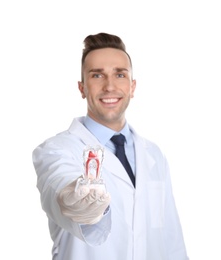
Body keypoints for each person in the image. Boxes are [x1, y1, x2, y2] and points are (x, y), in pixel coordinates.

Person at [32, 32, 189, 260]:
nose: (109, 86)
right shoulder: (56, 150)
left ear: (132, 87)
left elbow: (171, 239)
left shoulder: (154, 154)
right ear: (82, 88)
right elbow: (58, 184)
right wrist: (78, 200)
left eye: (120, 74)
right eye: (97, 75)